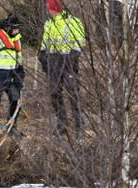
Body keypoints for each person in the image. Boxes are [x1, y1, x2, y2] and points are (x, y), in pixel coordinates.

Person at [38, 0, 86, 137]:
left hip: (69, 64)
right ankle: (62, 124)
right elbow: (44, 44)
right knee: (54, 93)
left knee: (73, 95)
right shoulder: (49, 23)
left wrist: (70, 59)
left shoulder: (73, 22)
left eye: (49, 8)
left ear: (55, 9)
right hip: (53, 63)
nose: (48, 10)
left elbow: (80, 43)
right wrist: (43, 57)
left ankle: (79, 126)